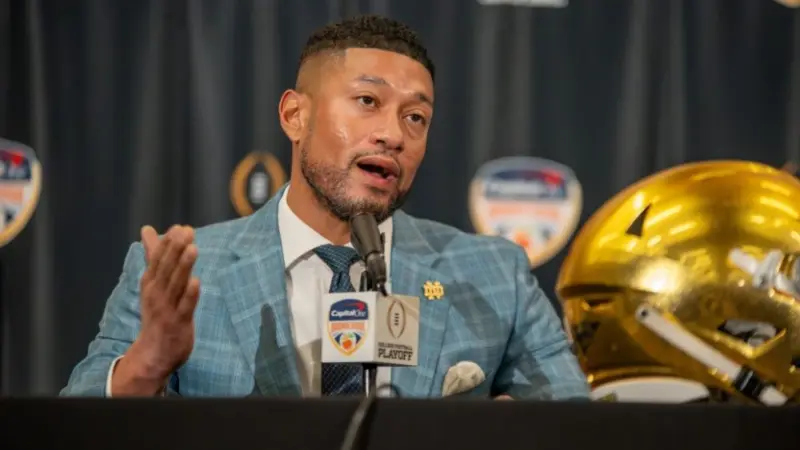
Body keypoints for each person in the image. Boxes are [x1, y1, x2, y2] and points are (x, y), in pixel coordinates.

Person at [61, 14, 590, 400]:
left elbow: (575, 425)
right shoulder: (185, 275)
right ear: (294, 115)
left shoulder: (493, 275)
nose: (392, 134)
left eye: (416, 118)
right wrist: (146, 366)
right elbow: (71, 430)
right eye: (368, 102)